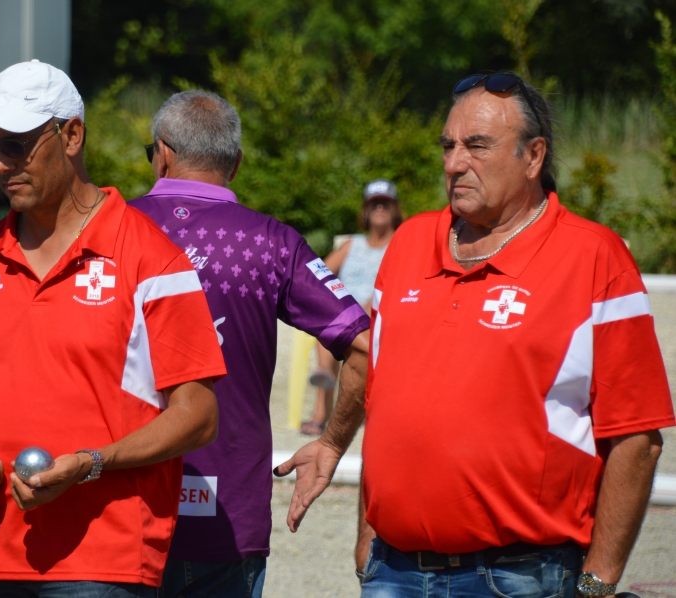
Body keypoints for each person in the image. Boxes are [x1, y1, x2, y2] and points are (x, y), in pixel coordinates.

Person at [277, 72, 675, 597]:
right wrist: (367, 534)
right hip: (393, 571)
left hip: (522, 576)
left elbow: (637, 438)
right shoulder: (410, 242)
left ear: (534, 156)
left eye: (477, 146)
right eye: (448, 145)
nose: (453, 163)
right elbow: (388, 396)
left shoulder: (595, 258)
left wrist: (599, 581)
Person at [0, 61, 226, 598]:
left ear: (72, 134)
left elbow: (197, 416)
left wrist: (91, 463)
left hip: (103, 562)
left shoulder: (152, 259)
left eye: (18, 144)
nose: (2, 164)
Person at [130, 90, 370, 598]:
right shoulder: (271, 241)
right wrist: (331, 445)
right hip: (227, 515)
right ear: (235, 164)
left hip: (116, 506)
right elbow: (365, 345)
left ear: (162, 153)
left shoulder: (109, 232)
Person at [302, 179, 401, 435]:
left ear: (395, 210)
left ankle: (323, 401)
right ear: (365, 212)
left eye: (385, 203)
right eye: (374, 203)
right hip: (344, 312)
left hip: (378, 314)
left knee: (356, 313)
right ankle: (324, 388)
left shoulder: (401, 244)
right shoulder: (352, 244)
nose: (379, 208)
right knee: (329, 325)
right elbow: (319, 273)